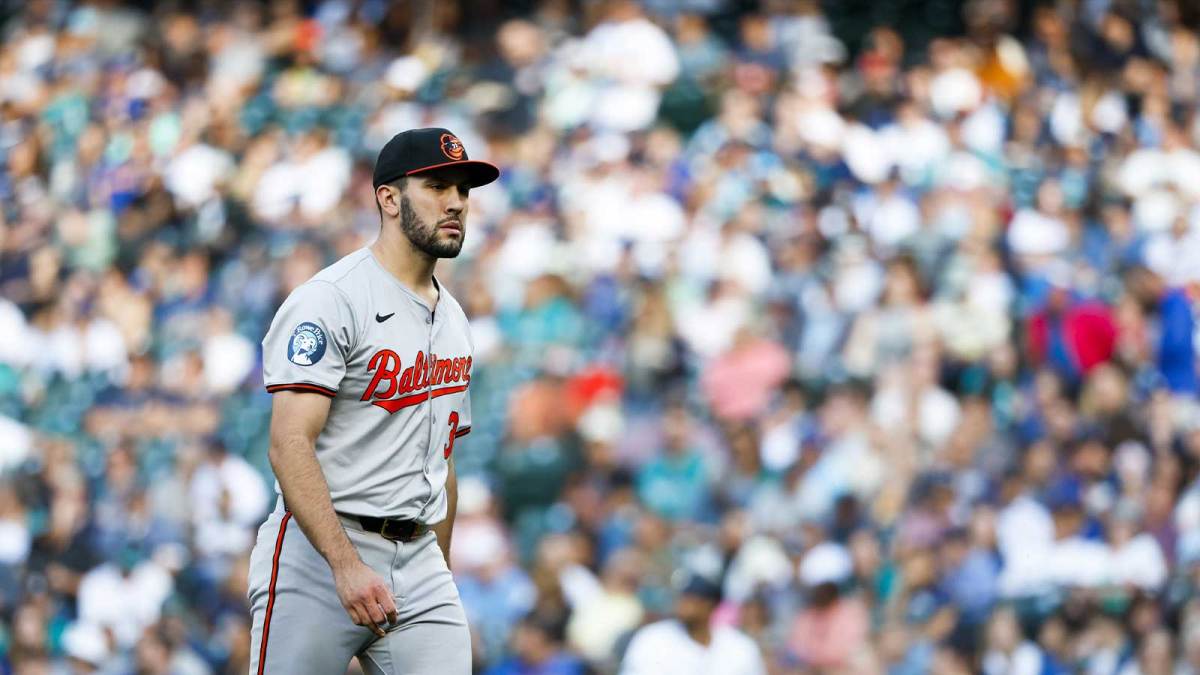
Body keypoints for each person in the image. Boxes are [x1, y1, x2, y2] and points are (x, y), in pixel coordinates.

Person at [246, 128, 500, 674]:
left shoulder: (454, 320)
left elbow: (442, 461)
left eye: (463, 189)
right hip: (318, 553)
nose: (455, 201)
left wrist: (442, 573)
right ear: (388, 198)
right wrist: (344, 566)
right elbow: (289, 444)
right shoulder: (331, 299)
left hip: (419, 558)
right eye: (436, 185)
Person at [620, 569, 766, 675]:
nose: (683, 603)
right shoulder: (653, 638)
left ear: (711, 605)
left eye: (692, 598)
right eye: (683, 596)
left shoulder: (741, 647)